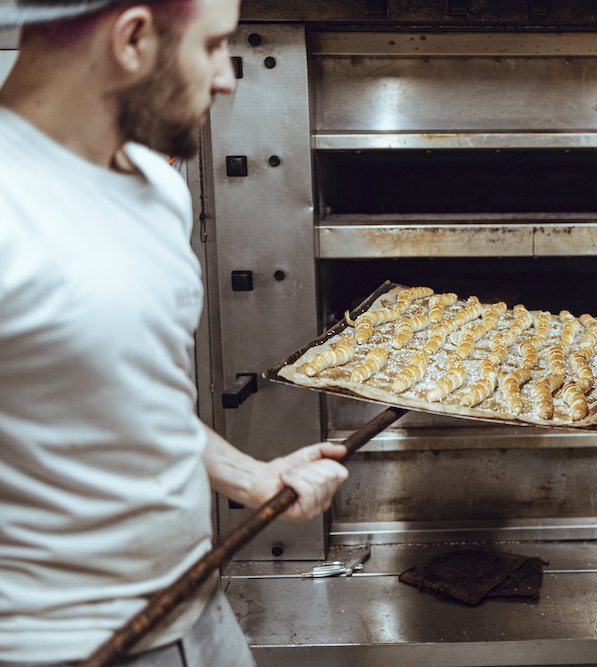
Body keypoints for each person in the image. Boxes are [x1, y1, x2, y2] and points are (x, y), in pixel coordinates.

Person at [0, 0, 350, 664]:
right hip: (54, 646)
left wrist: (253, 477)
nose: (228, 77)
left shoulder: (156, 188)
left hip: (200, 620)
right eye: (213, 45)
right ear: (133, 38)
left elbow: (131, 403)